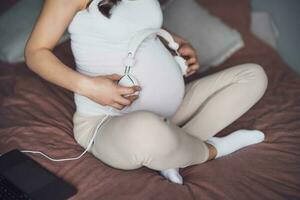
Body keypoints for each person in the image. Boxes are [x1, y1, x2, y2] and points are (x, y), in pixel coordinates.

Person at [25, 0, 268, 185]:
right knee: (145, 130)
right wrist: (90, 87)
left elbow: (139, 25)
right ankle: (212, 149)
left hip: (171, 109)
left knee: (254, 75)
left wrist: (176, 41)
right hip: (110, 121)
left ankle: (172, 153)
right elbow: (35, 53)